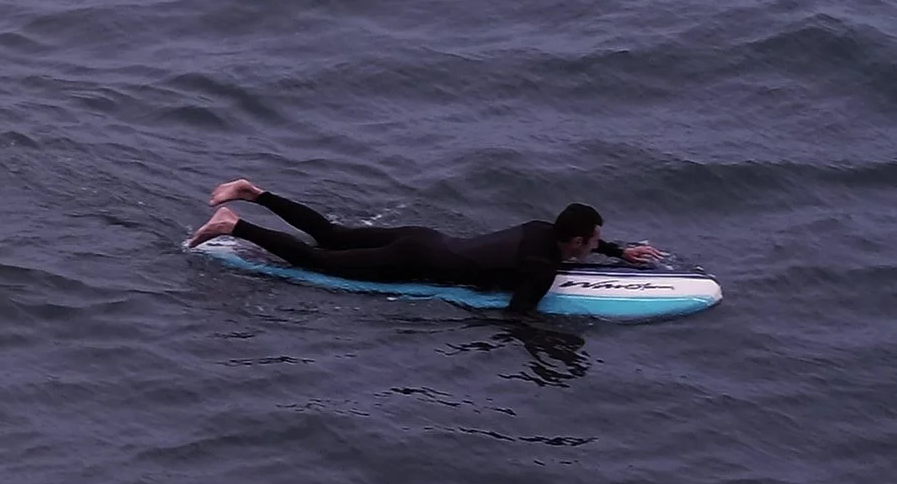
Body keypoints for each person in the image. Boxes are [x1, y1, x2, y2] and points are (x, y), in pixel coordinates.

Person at [186, 179, 663, 316]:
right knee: (319, 260)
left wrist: (620, 254)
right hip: (412, 259)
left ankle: (255, 193)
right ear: (577, 240)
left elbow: (570, 244)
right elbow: (518, 317)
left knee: (331, 233)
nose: (598, 244)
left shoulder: (542, 229)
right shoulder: (540, 268)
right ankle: (233, 225)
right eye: (596, 240)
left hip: (424, 236)